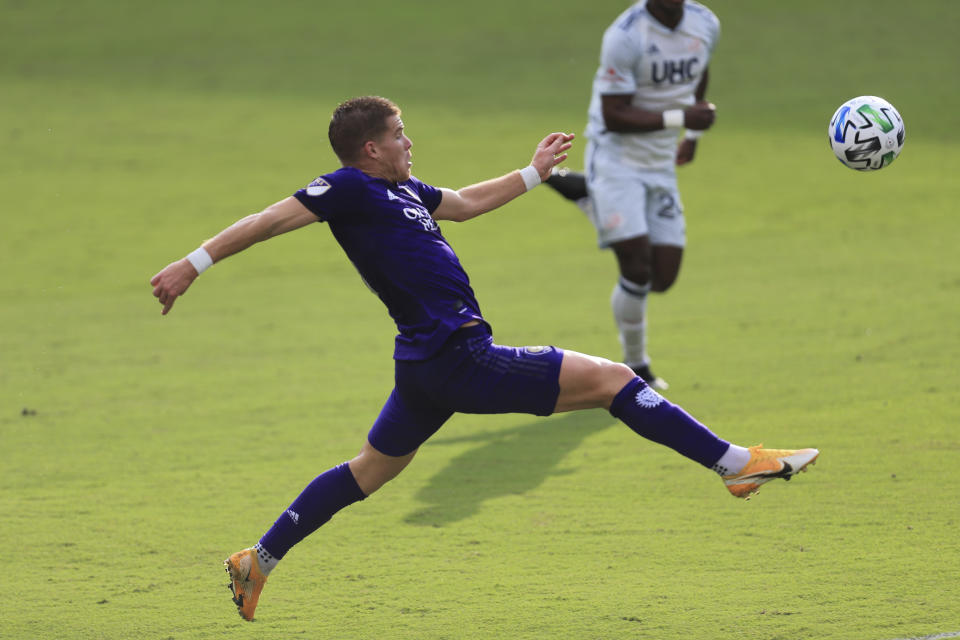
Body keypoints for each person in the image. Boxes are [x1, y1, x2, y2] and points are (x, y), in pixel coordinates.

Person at [150, 96, 817, 622]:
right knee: (614, 380)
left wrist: (533, 172)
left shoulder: (405, 192)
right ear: (372, 148)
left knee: (369, 471)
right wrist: (194, 262)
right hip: (459, 356)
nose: (412, 142)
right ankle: (736, 464)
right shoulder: (348, 189)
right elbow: (269, 218)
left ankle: (257, 560)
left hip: (423, 365)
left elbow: (466, 204)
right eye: (402, 133)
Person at [544, 0, 720, 390]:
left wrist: (692, 136)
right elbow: (613, 114)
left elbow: (698, 73)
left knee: (663, 277)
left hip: (660, 165)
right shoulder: (625, 36)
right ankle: (636, 365)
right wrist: (681, 120)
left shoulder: (705, 23)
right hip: (616, 161)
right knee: (636, 267)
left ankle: (589, 198)